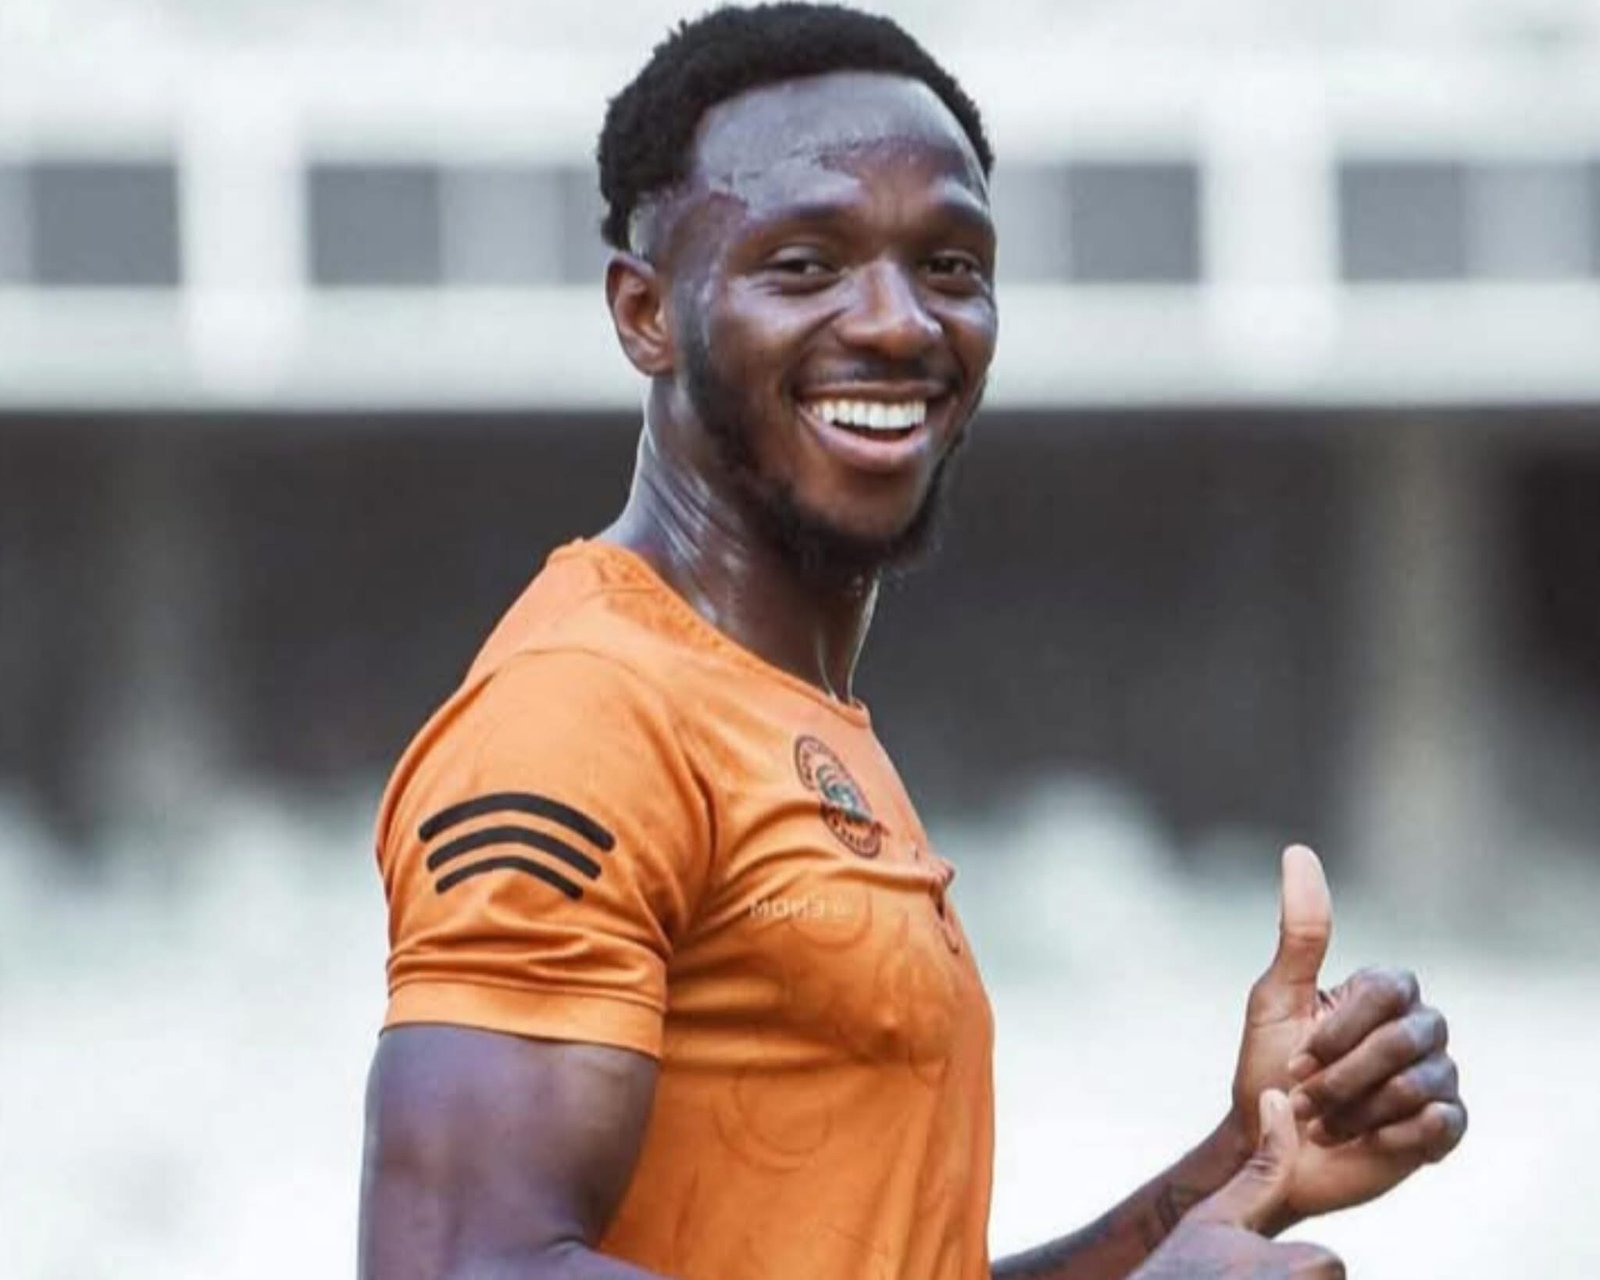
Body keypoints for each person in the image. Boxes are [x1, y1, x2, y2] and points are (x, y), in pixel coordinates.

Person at [359, 6, 1467, 1278]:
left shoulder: (785, 715)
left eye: (948, 265)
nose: (896, 322)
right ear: (644, 312)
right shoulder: (583, 712)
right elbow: (455, 1266)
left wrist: (1243, 1160)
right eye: (804, 264)